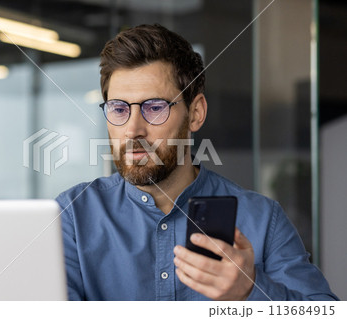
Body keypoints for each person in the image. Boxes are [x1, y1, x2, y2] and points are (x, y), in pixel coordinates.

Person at [55, 24, 338, 301]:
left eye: (155, 108)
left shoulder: (263, 220)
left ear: (196, 113)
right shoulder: (71, 217)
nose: (133, 130)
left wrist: (251, 292)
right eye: (118, 109)